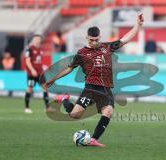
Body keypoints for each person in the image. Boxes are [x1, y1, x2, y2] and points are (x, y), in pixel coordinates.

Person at [42, 14, 144, 146]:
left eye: (96, 40)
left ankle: (93, 139)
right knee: (75, 115)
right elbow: (69, 68)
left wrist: (138, 25)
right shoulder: (82, 53)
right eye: (91, 40)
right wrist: (52, 79)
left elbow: (125, 39)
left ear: (99, 38)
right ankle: (64, 99)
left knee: (108, 111)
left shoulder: (107, 47)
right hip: (90, 87)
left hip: (106, 88)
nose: (94, 42)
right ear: (87, 38)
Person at [24, 35, 51, 114]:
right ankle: (27, 107)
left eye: (38, 39)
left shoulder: (40, 50)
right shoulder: (29, 49)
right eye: (35, 39)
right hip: (32, 73)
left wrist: (43, 68)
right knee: (30, 88)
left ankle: (47, 107)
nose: (37, 40)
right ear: (33, 40)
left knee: (45, 87)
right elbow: (27, 61)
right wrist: (32, 70)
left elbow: (39, 62)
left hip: (40, 73)